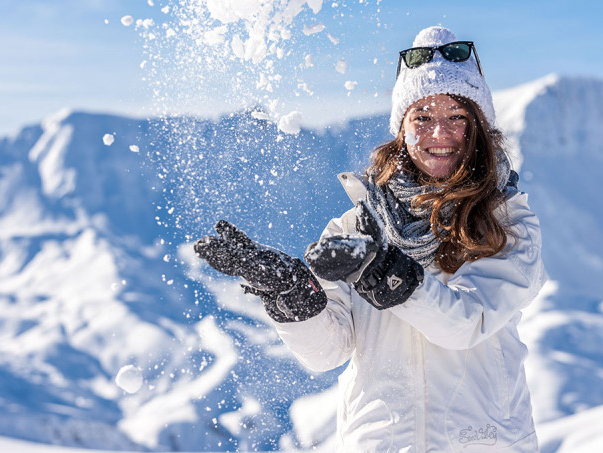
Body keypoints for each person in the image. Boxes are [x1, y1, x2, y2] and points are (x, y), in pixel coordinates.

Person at [194, 26, 547, 452]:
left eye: (457, 116)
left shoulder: (506, 222)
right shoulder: (357, 227)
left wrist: (389, 275)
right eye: (422, 118)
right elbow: (327, 352)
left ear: (479, 128)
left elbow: (467, 322)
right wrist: (290, 295)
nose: (440, 134)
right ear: (402, 128)